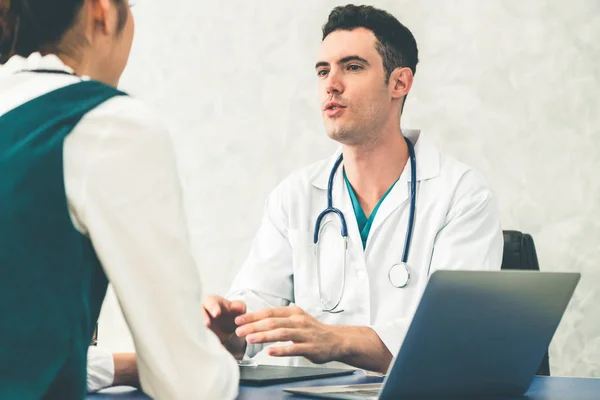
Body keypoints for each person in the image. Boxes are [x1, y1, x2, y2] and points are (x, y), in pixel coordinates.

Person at [85, 3, 504, 389]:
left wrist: (336, 340)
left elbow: (453, 344)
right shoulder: (296, 196)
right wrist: (232, 331)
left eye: (352, 67)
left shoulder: (461, 195)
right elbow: (257, 305)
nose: (331, 85)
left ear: (400, 82)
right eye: (322, 71)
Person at [0, 0, 238, 399]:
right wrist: (216, 359)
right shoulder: (104, 124)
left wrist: (131, 366)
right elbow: (190, 386)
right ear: (102, 11)